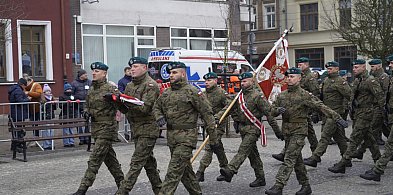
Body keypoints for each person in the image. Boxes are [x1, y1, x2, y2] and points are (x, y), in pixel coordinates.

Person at [265, 67, 347, 195]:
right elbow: (272, 111)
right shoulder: (282, 95)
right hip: (287, 131)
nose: (289, 79)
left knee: (289, 158)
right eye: (288, 77)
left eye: (292, 77)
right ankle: (306, 186)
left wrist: (337, 117)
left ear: (299, 78)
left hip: (299, 130)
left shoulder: (304, 95)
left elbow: (320, 106)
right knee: (297, 160)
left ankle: (278, 186)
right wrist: (277, 110)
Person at [153, 61, 220, 195]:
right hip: (172, 138)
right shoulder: (167, 93)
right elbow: (156, 106)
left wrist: (214, 139)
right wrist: (159, 116)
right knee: (185, 173)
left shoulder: (193, 91)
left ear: (183, 74)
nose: (171, 75)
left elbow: (207, 114)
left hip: (186, 138)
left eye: (174, 72)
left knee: (173, 172)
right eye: (170, 73)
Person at [218, 72, 283, 188]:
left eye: (245, 81)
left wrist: (277, 131)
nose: (242, 84)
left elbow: (269, 113)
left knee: (243, 150)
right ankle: (260, 178)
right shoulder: (239, 96)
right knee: (253, 155)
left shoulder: (257, 96)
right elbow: (230, 109)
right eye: (241, 82)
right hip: (243, 128)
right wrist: (234, 121)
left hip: (254, 128)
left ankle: (230, 170)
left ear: (252, 82)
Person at [73, 62, 124, 195]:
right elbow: (87, 105)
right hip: (96, 128)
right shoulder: (92, 89)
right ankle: (123, 185)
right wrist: (86, 111)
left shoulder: (110, 88)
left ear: (104, 73)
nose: (94, 73)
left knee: (95, 159)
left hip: (107, 128)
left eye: (97, 71)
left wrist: (114, 99)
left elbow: (122, 105)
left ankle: (82, 189)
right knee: (110, 160)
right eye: (93, 71)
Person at [116, 57, 162, 195]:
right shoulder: (130, 86)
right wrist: (117, 101)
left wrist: (128, 102)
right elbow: (125, 110)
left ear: (145, 68)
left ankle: (122, 191)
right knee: (149, 164)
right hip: (136, 129)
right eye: (131, 67)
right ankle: (160, 190)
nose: (132, 69)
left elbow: (145, 108)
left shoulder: (150, 85)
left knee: (136, 162)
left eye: (136, 66)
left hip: (148, 129)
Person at [328, 59, 384, 174]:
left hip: (366, 113)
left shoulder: (370, 81)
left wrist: (378, 112)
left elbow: (381, 97)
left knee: (354, 138)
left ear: (364, 68)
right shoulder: (358, 80)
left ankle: (343, 163)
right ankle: (378, 160)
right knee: (369, 138)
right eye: (353, 67)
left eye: (357, 67)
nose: (354, 69)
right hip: (358, 112)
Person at [303, 61, 352, 167]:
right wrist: (317, 112)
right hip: (326, 113)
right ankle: (346, 158)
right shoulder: (326, 80)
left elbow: (350, 96)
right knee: (339, 137)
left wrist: (348, 110)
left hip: (335, 114)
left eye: (331, 69)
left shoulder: (340, 81)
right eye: (328, 69)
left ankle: (315, 157)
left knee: (325, 136)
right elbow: (322, 98)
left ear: (337, 69)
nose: (328, 71)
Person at [272, 57, 320, 162]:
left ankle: (315, 155)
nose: (299, 66)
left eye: (301, 65)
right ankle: (288, 153)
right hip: (296, 108)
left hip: (304, 107)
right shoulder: (298, 75)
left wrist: (315, 112)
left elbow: (315, 94)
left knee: (308, 132)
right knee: (305, 132)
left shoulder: (310, 77)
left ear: (307, 65)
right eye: (298, 65)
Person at [360, 54, 393, 181]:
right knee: (390, 143)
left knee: (389, 144)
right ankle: (377, 171)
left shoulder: (386, 77)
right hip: (389, 113)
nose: (389, 65)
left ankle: (377, 170)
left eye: (391, 63)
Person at [195, 72, 229, 182]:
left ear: (215, 81)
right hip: (207, 125)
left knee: (209, 147)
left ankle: (200, 172)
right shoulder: (203, 94)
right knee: (217, 147)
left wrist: (218, 116)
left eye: (209, 80)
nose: (206, 82)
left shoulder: (221, 93)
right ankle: (226, 169)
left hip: (217, 125)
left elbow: (230, 106)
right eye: (205, 80)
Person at [8, 78, 30, 151]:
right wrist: (28, 99)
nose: (25, 88)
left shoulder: (14, 89)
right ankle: (17, 145)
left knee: (17, 129)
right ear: (22, 85)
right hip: (18, 113)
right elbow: (20, 101)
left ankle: (15, 145)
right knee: (19, 129)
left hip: (15, 112)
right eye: (25, 86)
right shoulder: (18, 90)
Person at [71, 69, 92, 145]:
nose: (86, 75)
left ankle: (87, 137)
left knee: (87, 121)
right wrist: (74, 99)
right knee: (79, 122)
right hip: (77, 105)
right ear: (81, 75)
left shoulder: (89, 82)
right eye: (85, 74)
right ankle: (81, 138)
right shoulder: (74, 83)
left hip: (87, 105)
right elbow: (71, 94)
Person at [59, 82, 79, 147]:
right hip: (65, 114)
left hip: (72, 114)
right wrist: (66, 103)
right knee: (66, 130)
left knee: (71, 129)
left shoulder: (73, 96)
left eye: (70, 89)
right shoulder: (62, 96)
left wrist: (77, 102)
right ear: (65, 90)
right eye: (68, 89)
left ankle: (71, 141)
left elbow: (75, 106)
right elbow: (60, 106)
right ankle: (66, 143)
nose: (69, 90)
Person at [41, 84, 56, 150]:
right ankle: (46, 145)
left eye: (49, 91)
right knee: (46, 131)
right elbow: (42, 108)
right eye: (47, 91)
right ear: (44, 92)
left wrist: (54, 104)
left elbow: (54, 108)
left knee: (51, 131)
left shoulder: (52, 98)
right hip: (45, 116)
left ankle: (51, 144)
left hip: (51, 116)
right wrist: (48, 103)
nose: (48, 92)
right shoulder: (43, 99)